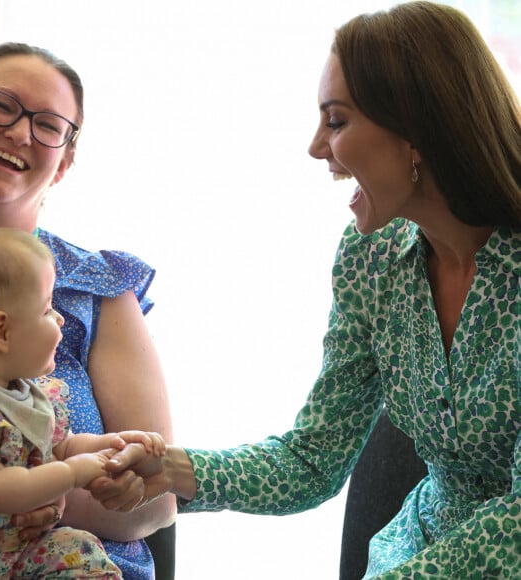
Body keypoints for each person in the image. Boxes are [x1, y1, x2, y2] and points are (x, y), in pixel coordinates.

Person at [103, 2, 521, 578]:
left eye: (337, 120)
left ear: (417, 131)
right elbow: (313, 459)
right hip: (411, 551)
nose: (316, 147)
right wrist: (173, 470)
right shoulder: (369, 259)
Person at [0, 43, 176, 580]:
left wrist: (32, 494)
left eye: (48, 124)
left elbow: (160, 502)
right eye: (0, 106)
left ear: (65, 160)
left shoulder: (101, 291)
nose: (20, 133)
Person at [0, 227, 167, 578]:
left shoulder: (31, 392)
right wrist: (73, 474)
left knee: (77, 549)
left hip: (23, 550)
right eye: (47, 310)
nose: (59, 318)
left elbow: (58, 447)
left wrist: (110, 447)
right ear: (2, 332)